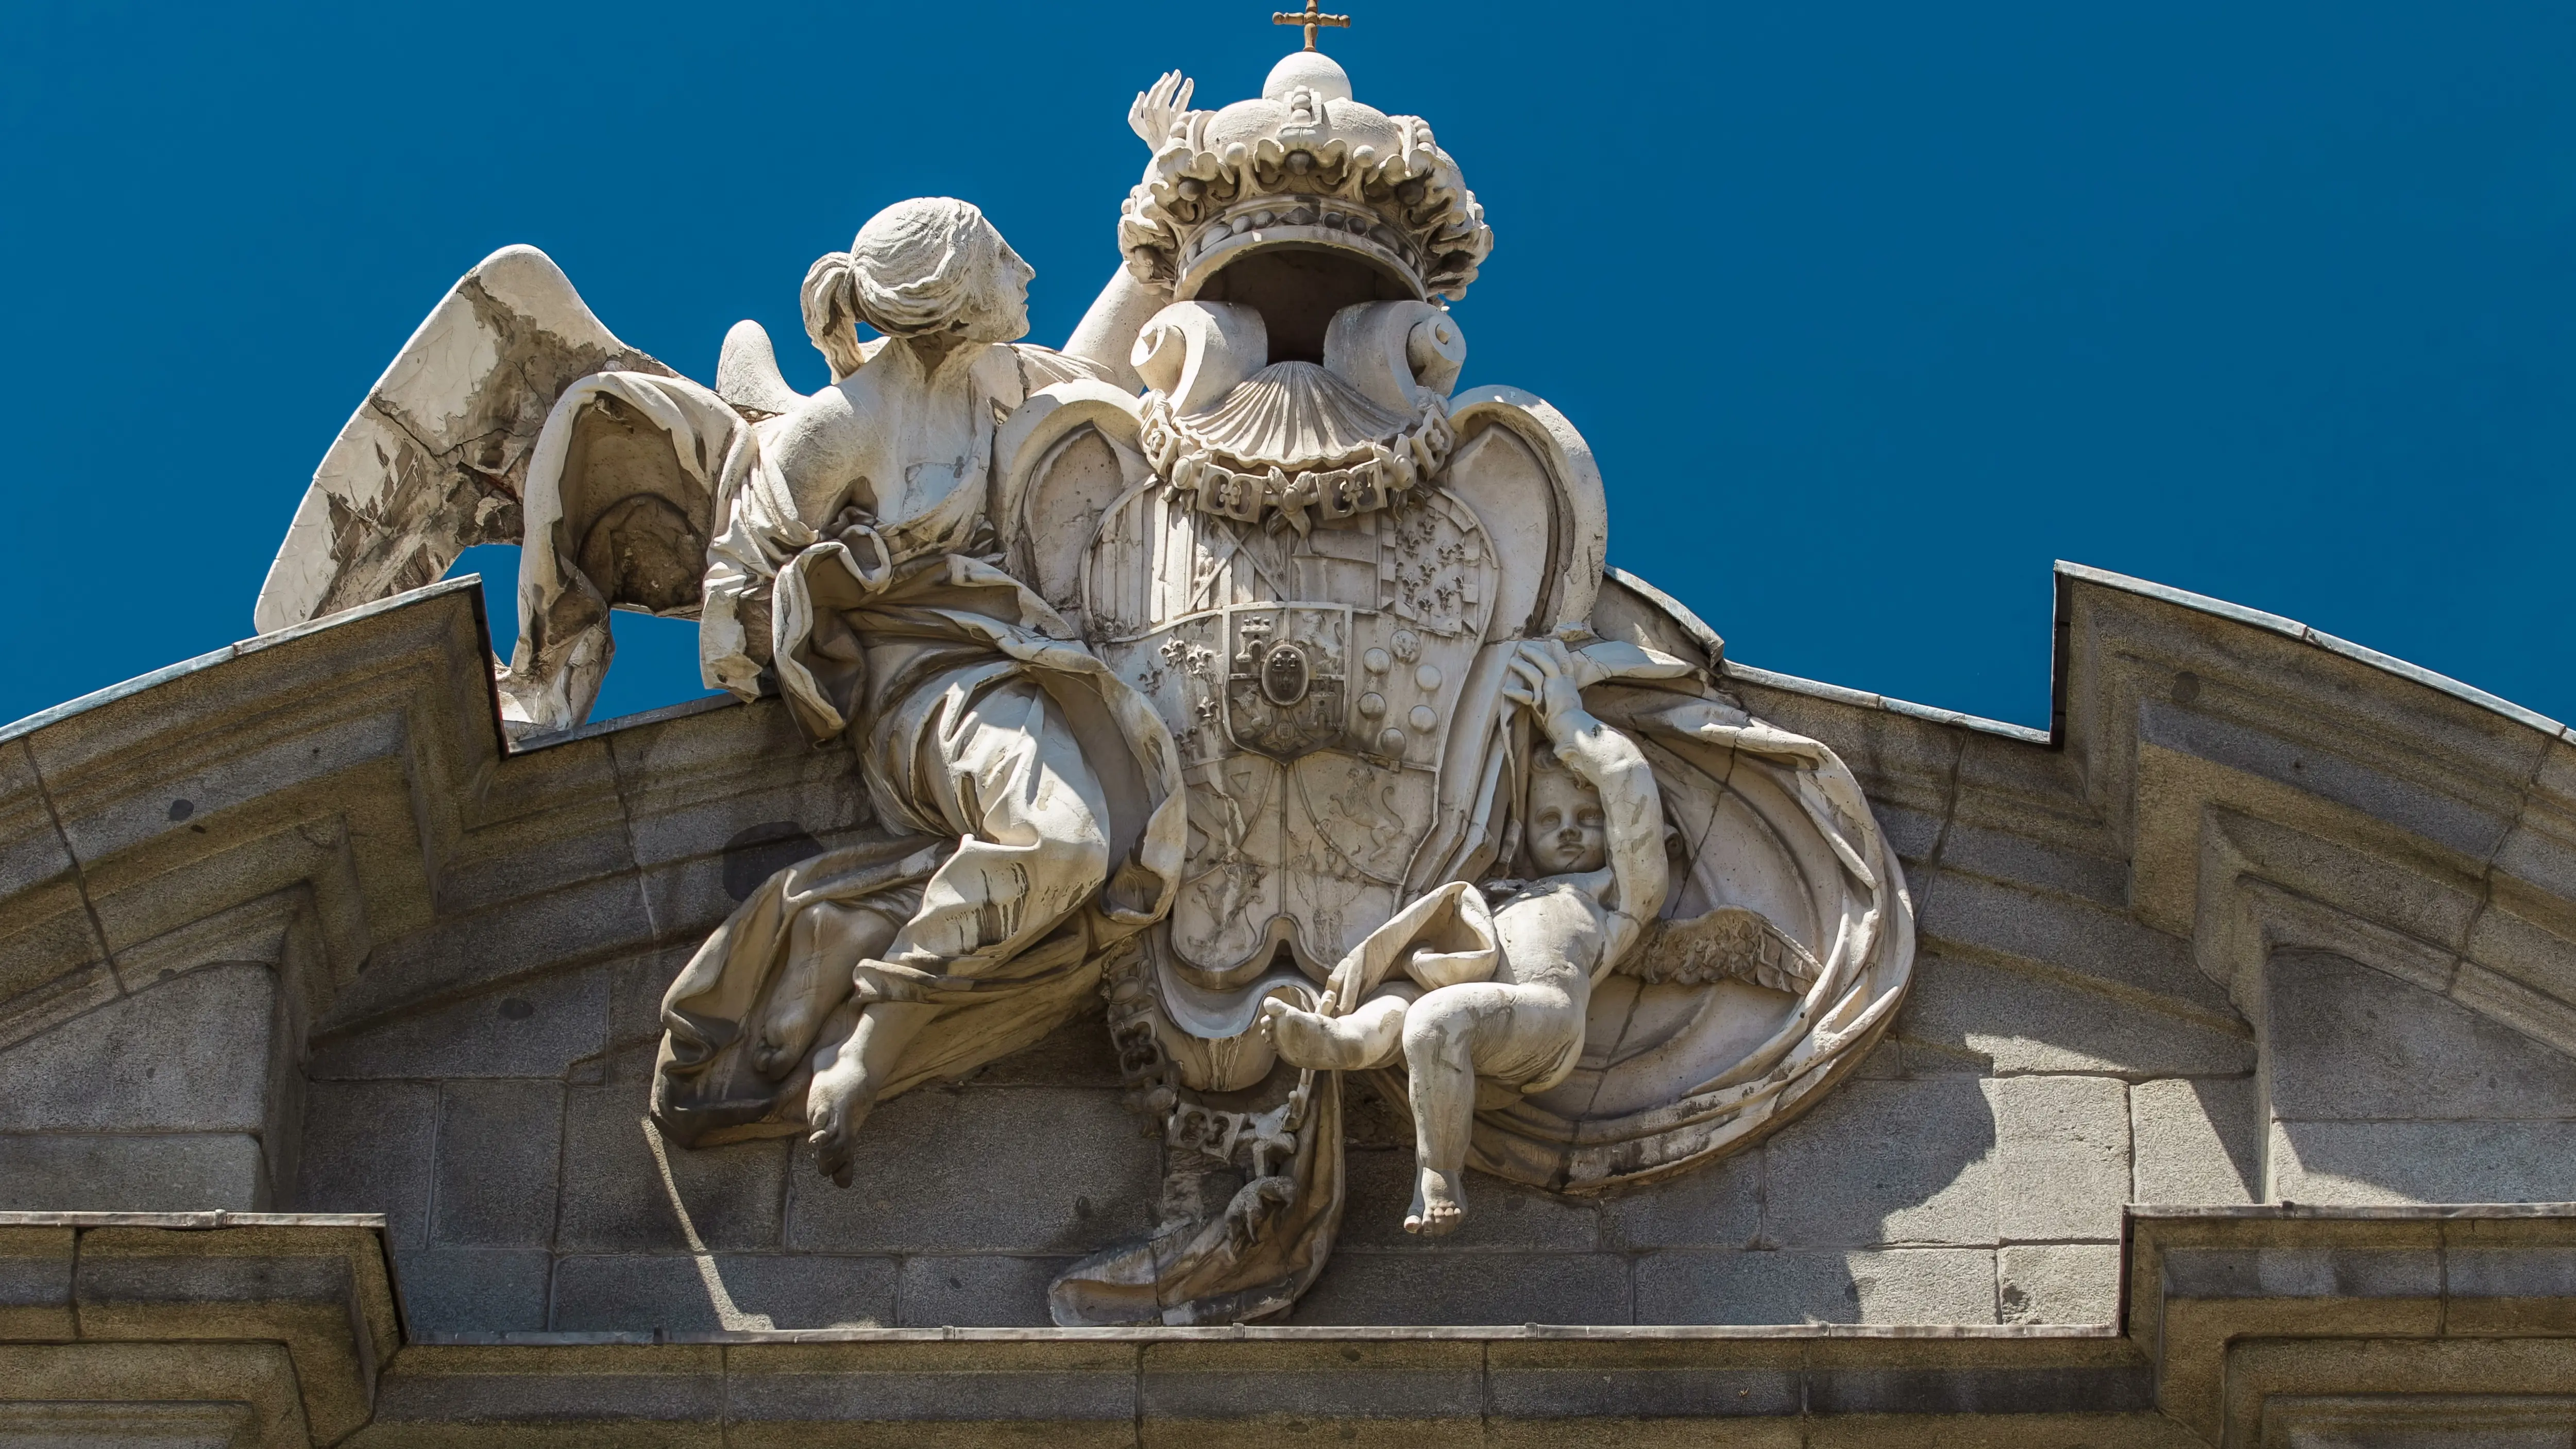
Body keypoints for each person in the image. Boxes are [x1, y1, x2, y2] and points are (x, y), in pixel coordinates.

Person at [1260, 637, 1669, 1234]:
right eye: (1550, 820)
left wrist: (1567, 719)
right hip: (1470, 998)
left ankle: (1437, 1176)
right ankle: (1338, 1042)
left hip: (1544, 1017)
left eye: (1587, 821)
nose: (1571, 832)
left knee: (1434, 1017)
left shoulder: (1616, 900)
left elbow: (1628, 780)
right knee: (1398, 1004)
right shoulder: (1503, 894)